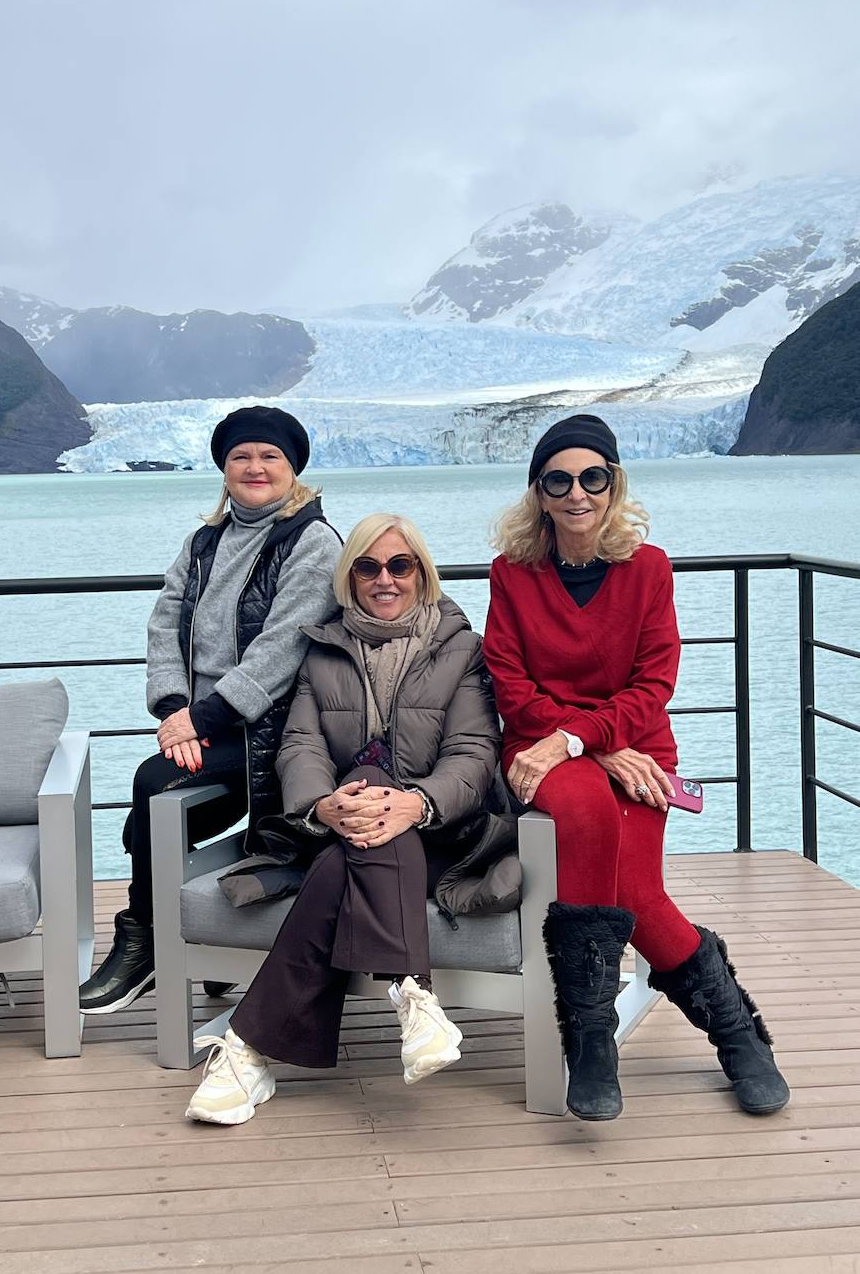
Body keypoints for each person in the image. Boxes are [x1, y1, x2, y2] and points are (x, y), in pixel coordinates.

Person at [482, 412, 790, 1121]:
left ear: (613, 484)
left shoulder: (647, 568)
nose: (575, 493)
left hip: (631, 748)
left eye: (592, 476)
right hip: (539, 744)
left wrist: (586, 739)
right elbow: (511, 684)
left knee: (637, 895)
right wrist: (582, 744)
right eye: (557, 479)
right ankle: (598, 1041)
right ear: (538, 491)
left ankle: (734, 1035)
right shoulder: (512, 573)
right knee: (586, 812)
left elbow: (654, 684)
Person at [184, 513, 515, 1125]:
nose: (384, 580)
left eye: (399, 566)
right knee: (356, 828)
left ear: (422, 573)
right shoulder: (323, 648)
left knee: (369, 813)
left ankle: (248, 1052)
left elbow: (473, 752)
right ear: (350, 577)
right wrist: (322, 806)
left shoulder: (462, 647)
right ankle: (414, 998)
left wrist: (416, 803)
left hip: (444, 833)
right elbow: (300, 747)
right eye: (368, 566)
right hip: (344, 829)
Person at [79, 406, 341, 1013]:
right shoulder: (203, 542)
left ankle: (143, 938)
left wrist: (203, 719)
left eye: (269, 456)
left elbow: (286, 645)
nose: (255, 467)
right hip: (202, 724)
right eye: (241, 456)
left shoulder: (313, 542)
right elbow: (165, 622)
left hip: (272, 732)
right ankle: (209, 945)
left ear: (292, 468)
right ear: (223, 468)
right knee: (156, 807)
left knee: (150, 794)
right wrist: (174, 707)